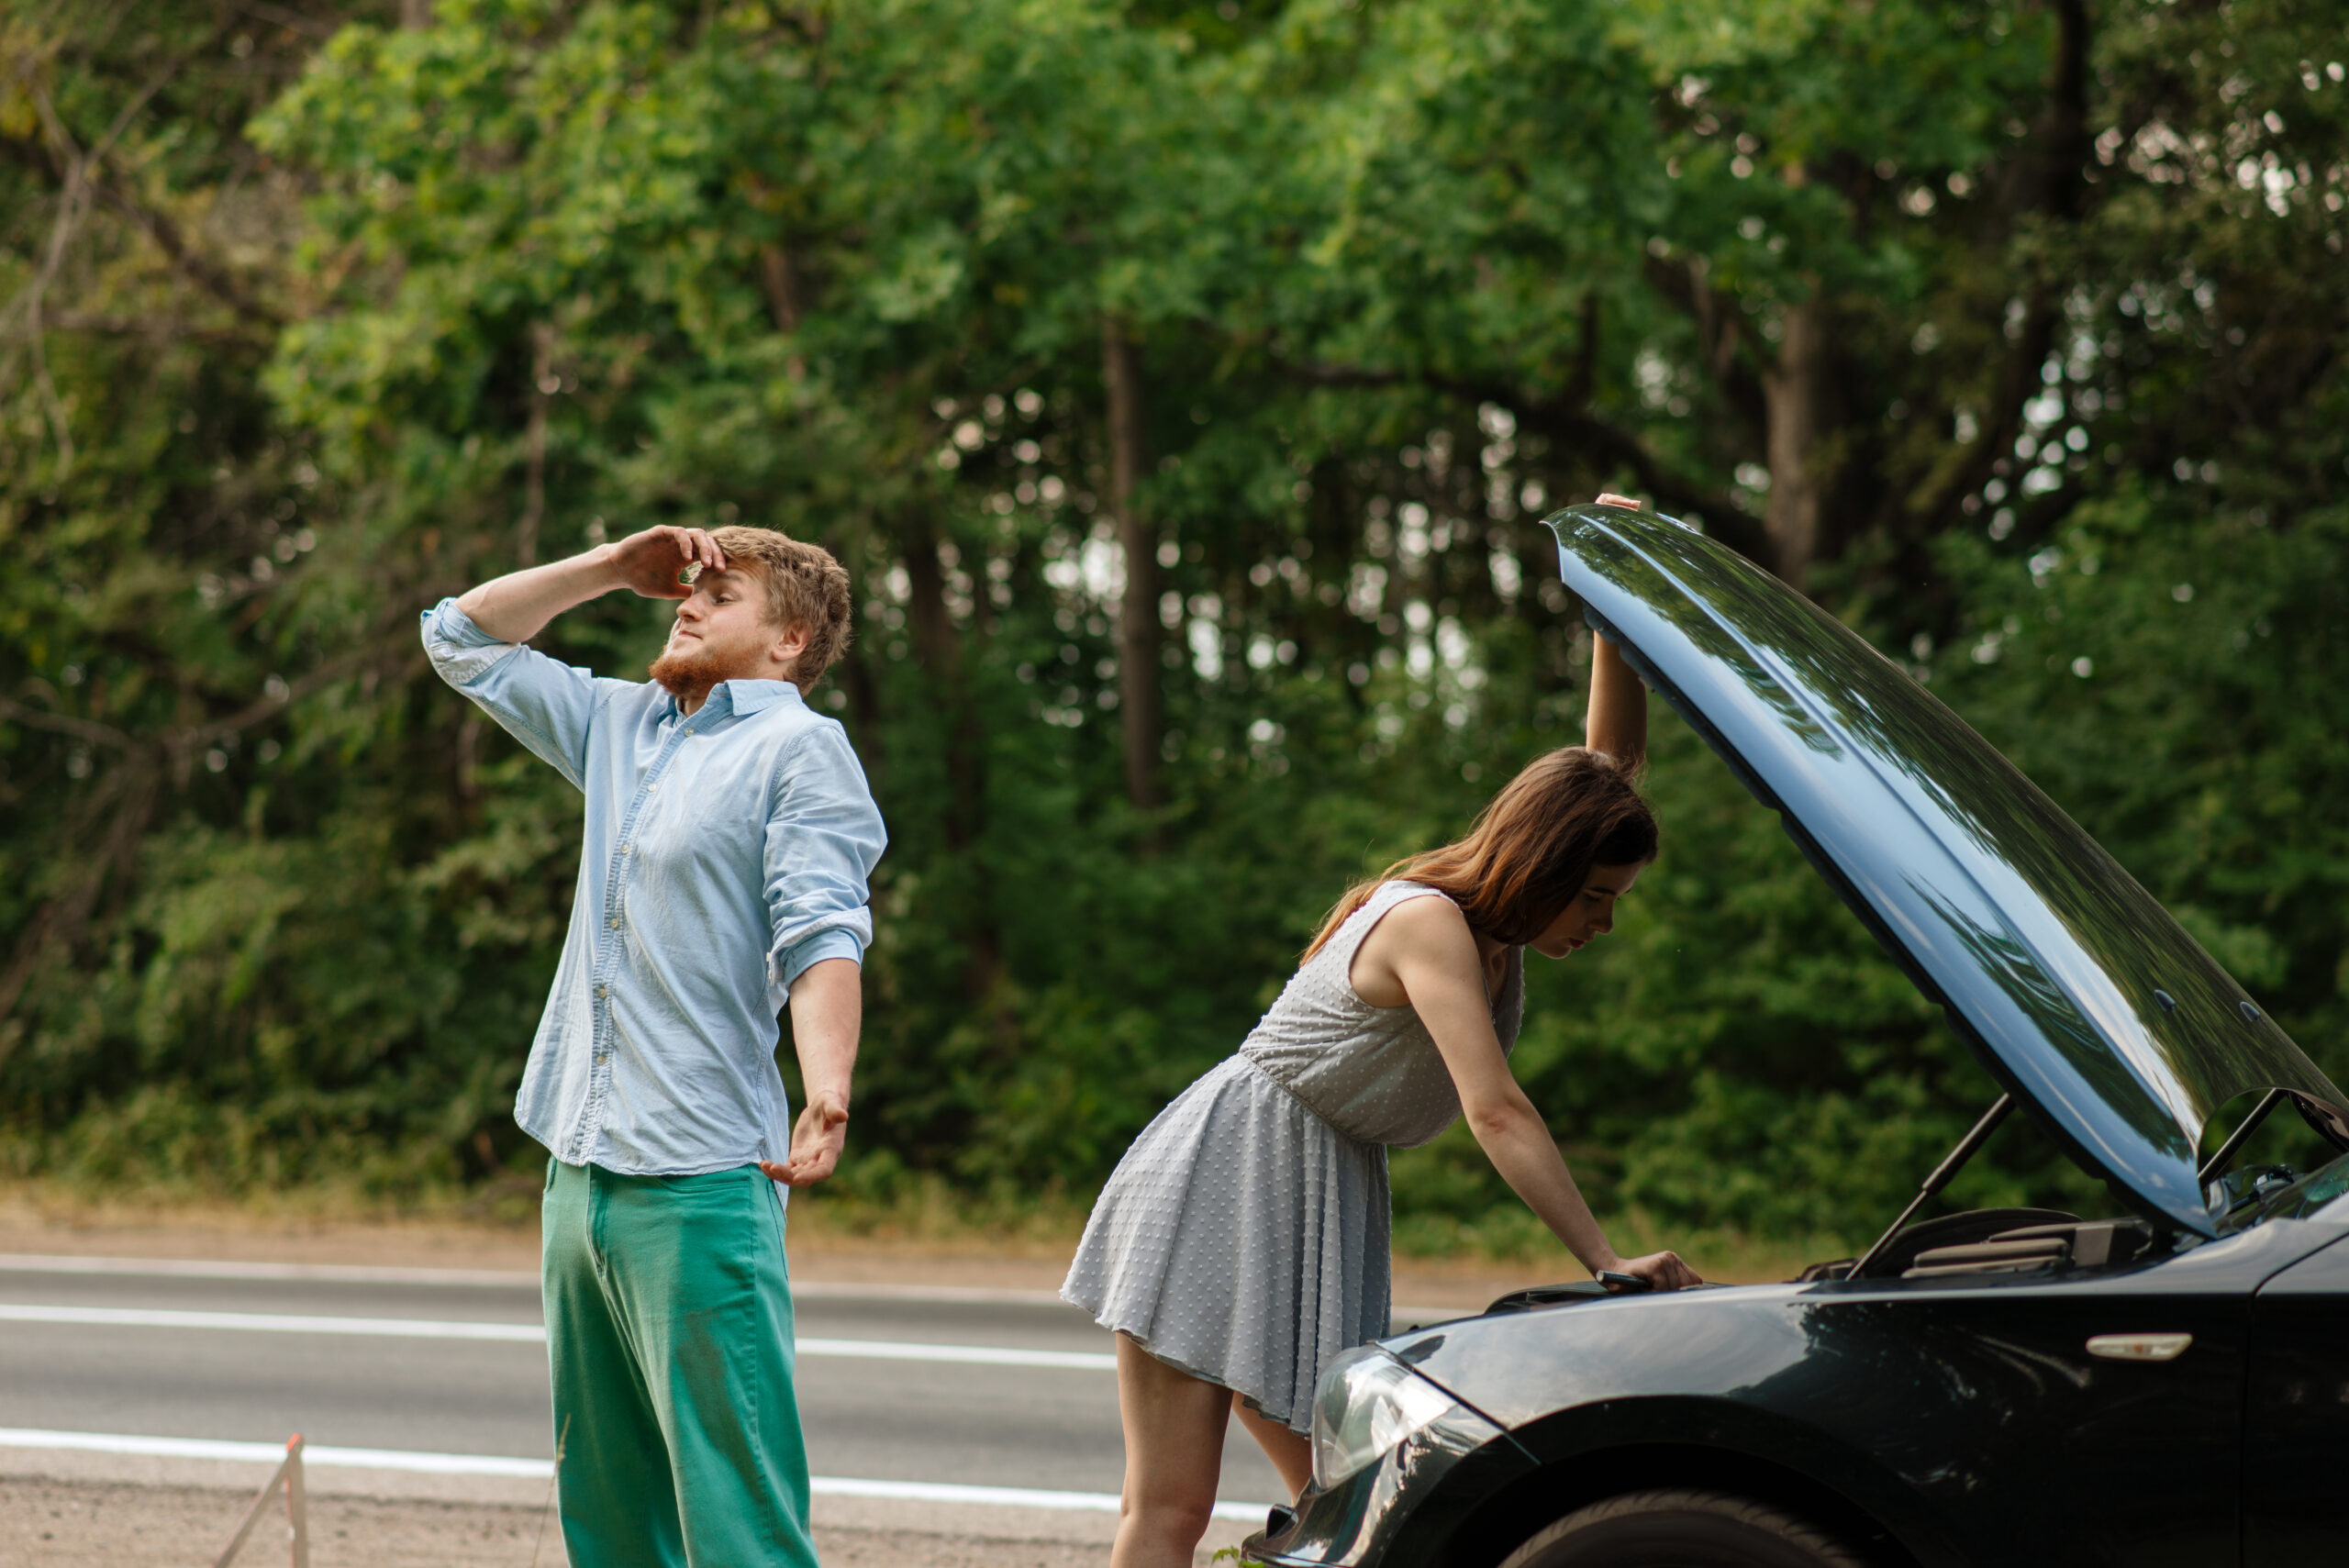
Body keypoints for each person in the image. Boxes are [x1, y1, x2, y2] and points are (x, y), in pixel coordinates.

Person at [1062, 495, 1701, 1568]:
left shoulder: (1492, 923)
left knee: (1350, 1507)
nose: (1602, 921)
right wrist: (1604, 1259)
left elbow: (1608, 770)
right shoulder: (1430, 924)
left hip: (1319, 1189)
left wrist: (1611, 600)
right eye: (1593, 896)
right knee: (1172, 1506)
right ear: (1542, 868)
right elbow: (1497, 1110)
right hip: (1225, 1177)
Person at [420, 522, 885, 1568]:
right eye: (687, 586)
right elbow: (459, 638)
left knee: (737, 1523)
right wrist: (605, 569)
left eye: (723, 594)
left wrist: (827, 1085)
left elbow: (822, 930)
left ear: (789, 639)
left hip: (700, 1178)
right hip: (578, 1173)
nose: (687, 600)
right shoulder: (620, 723)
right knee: (611, 1513)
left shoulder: (799, 748)